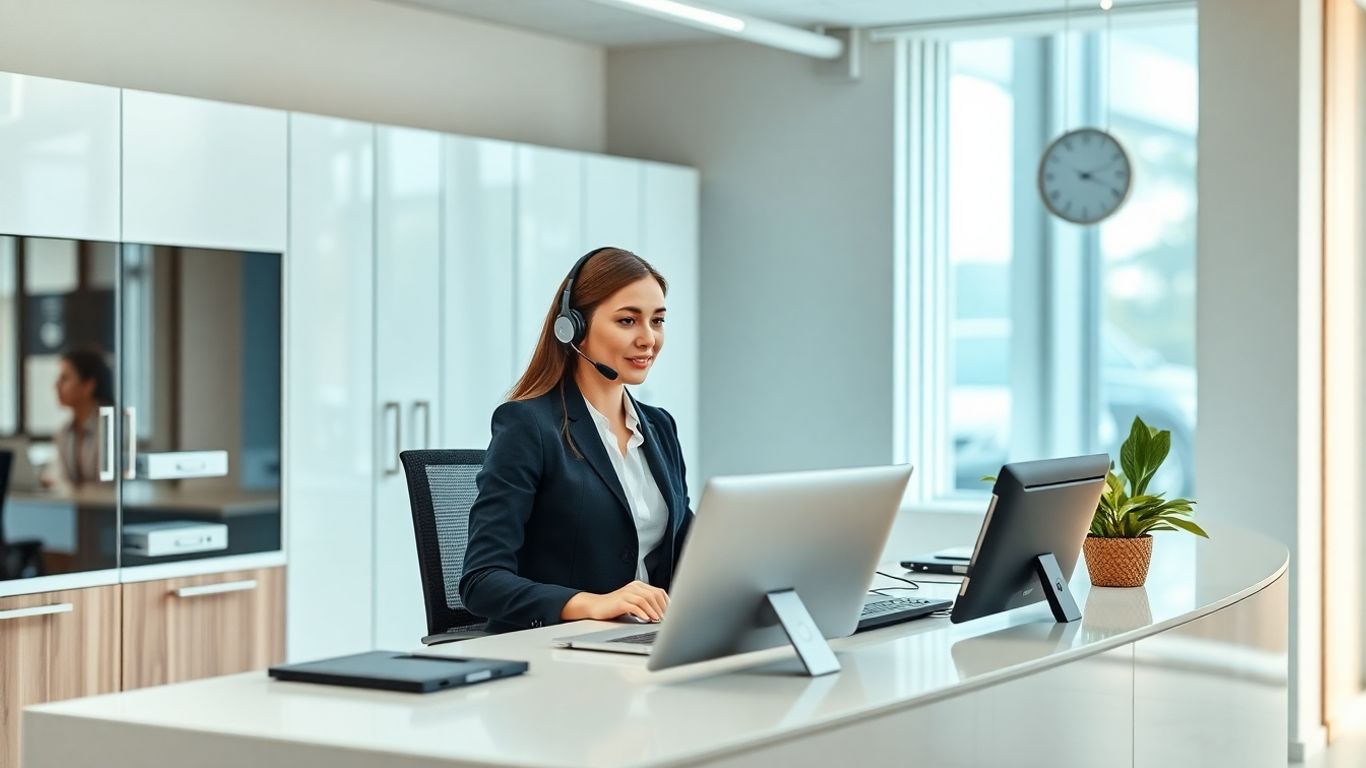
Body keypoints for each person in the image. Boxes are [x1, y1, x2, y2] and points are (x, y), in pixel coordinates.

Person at [460, 247, 694, 633]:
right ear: (574, 328)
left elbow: (689, 549)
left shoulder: (659, 427)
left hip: (642, 640)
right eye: (627, 321)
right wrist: (594, 604)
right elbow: (482, 581)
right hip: (559, 651)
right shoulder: (527, 425)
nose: (648, 339)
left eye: (658, 321)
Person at [50, 345, 114, 487]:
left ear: (88, 385)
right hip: (76, 507)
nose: (56, 386)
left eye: (65, 379)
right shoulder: (64, 432)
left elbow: (109, 486)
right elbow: (58, 478)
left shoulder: (111, 427)